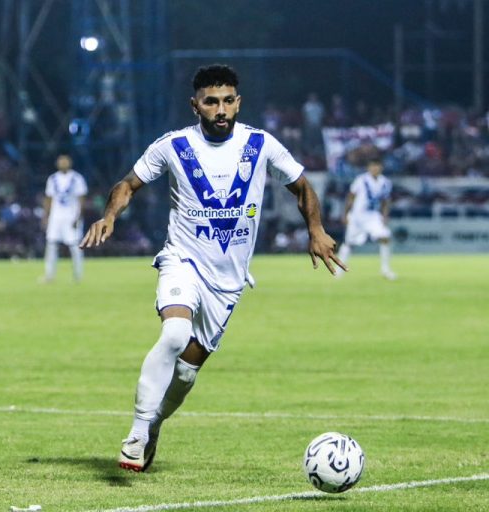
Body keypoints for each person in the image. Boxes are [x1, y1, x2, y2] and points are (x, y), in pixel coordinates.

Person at [80, 64, 344, 472]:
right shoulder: (173, 146)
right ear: (195, 105)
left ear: (238, 102)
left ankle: (154, 426)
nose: (220, 109)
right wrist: (110, 215)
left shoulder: (261, 145)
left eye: (227, 101)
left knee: (185, 375)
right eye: (211, 102)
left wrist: (316, 228)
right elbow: (128, 184)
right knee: (174, 334)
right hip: (182, 261)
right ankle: (135, 433)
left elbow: (303, 185)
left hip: (228, 281)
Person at [336, 153, 396, 279]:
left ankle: (385, 269)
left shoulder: (385, 182)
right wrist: (346, 214)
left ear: (381, 167)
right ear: (368, 167)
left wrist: (385, 216)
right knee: (349, 243)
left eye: (377, 166)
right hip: (357, 217)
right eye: (373, 166)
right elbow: (350, 197)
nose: (375, 168)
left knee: (385, 237)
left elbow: (385, 201)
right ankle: (339, 270)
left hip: (373, 216)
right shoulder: (361, 180)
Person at [41, 154, 87, 282]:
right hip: (56, 217)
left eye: (65, 161)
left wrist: (79, 216)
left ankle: (78, 275)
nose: (63, 163)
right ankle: (49, 275)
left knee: (75, 245)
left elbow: (81, 198)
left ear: (70, 163)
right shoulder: (52, 179)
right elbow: (48, 199)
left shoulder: (77, 178)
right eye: (61, 161)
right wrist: (46, 216)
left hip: (71, 216)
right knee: (51, 244)